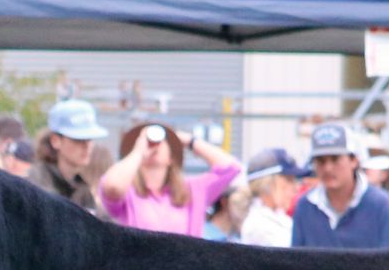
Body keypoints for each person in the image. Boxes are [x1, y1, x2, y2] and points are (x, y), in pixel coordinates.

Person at [99, 120, 239, 237]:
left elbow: (231, 168)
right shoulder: (129, 192)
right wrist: (139, 151)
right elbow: (113, 187)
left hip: (185, 261)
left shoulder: (192, 190)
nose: (154, 145)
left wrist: (188, 141)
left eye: (163, 142)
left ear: (172, 157)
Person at [290, 121, 389, 249]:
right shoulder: (305, 206)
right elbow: (296, 257)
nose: (328, 168)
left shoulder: (381, 206)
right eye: (320, 160)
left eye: (335, 159)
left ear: (354, 161)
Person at [28, 99, 112, 214]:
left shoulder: (81, 188)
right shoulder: (37, 183)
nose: (87, 146)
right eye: (78, 139)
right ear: (55, 141)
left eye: (90, 139)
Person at [237, 147, 301, 247]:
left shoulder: (279, 217)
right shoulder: (258, 225)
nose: (296, 188)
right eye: (288, 180)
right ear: (267, 184)